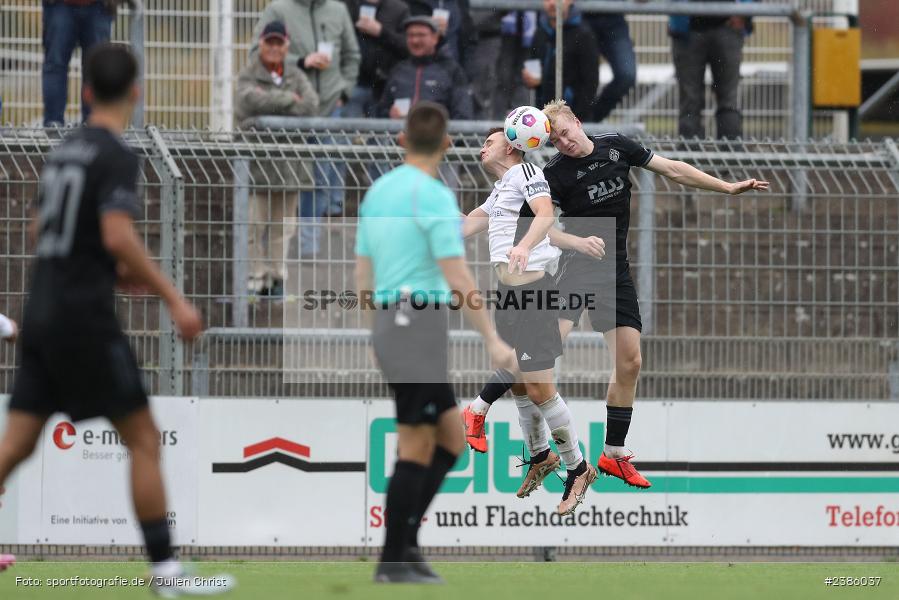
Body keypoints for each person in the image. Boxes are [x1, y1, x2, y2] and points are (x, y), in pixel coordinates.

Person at [0, 44, 234, 595]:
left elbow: (41, 231)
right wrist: (173, 298)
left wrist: (104, 268)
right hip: (84, 319)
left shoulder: (64, 148)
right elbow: (116, 234)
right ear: (136, 91)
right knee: (144, 438)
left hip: (41, 309)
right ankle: (166, 574)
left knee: (15, 445)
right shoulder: (114, 153)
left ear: (84, 93)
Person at [463, 99, 769, 489]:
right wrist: (576, 240)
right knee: (541, 352)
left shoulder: (617, 146)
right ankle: (487, 412)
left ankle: (614, 454)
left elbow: (673, 170)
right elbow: (537, 225)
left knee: (631, 361)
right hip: (576, 270)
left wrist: (725, 187)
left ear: (577, 121)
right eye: (554, 140)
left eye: (566, 132)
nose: (564, 142)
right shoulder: (553, 174)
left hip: (615, 272)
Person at [356, 102, 513, 583]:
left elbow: (363, 274)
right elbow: (457, 273)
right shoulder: (436, 196)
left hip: (394, 322)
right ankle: (393, 560)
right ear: (445, 143)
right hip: (416, 323)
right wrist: (492, 339)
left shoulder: (379, 192)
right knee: (415, 444)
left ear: (404, 140)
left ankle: (404, 547)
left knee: (448, 439)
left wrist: (374, 330)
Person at [461, 128, 596, 514]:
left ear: (512, 144)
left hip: (534, 292)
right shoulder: (502, 186)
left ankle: (578, 467)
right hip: (508, 294)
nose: (481, 146)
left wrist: (523, 245)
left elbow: (545, 213)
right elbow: (469, 223)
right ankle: (540, 458)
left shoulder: (527, 173)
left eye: (489, 141)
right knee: (520, 385)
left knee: (537, 388)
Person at [252, 0, 361, 251]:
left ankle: (308, 245)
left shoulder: (338, 10)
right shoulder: (277, 10)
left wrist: (344, 92)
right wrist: (300, 61)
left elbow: (352, 55)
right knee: (284, 178)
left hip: (330, 109)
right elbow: (256, 54)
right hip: (290, 112)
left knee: (321, 176)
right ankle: (273, 246)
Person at [236, 21, 319, 296]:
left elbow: (310, 105)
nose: (273, 48)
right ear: (260, 44)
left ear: (286, 46)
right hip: (257, 163)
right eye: (268, 43)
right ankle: (254, 280)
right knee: (253, 225)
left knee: (282, 227)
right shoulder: (248, 74)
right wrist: (288, 100)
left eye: (278, 43)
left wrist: (270, 101)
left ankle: (276, 280)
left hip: (290, 165)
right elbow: (248, 102)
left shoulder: (297, 74)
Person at [670, 0, 754, 139]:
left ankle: (731, 155)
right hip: (687, 28)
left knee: (727, 99)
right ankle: (689, 153)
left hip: (727, 26)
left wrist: (744, 10)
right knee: (690, 99)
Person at [41, 0, 130, 126]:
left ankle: (94, 124)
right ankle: (53, 125)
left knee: (98, 68)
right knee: (55, 65)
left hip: (99, 6)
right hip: (58, 5)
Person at [374, 16, 473, 120]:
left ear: (435, 38)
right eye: (410, 35)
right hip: (402, 135)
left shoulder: (452, 70)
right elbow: (382, 110)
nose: (415, 41)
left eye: (421, 35)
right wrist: (390, 114)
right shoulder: (398, 70)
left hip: (438, 135)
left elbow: (463, 112)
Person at [522, 0, 599, 121]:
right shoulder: (540, 32)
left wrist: (576, 119)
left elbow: (590, 83)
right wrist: (530, 78)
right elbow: (533, 69)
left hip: (572, 119)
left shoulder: (584, 34)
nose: (553, 3)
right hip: (543, 118)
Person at [341, 0, 410, 118]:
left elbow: (408, 47)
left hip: (383, 87)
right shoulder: (345, 5)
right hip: (351, 83)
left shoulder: (399, 8)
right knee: (344, 133)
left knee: (380, 134)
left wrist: (381, 32)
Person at [585, 7, 638, 122]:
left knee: (627, 76)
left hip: (613, 17)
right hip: (582, 15)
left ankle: (589, 122)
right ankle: (581, 124)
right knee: (583, 78)